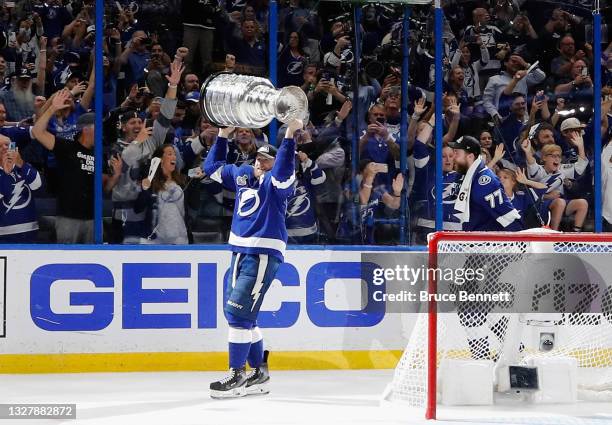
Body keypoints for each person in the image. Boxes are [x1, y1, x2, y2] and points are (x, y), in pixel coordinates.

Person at [203, 118, 303, 398]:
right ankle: (259, 371)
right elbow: (211, 169)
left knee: (237, 314)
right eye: (259, 158)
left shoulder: (279, 182)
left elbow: (283, 170)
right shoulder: (245, 174)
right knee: (242, 316)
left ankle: (238, 375)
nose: (261, 163)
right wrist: (222, 135)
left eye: (266, 160)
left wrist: (290, 136)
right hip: (238, 251)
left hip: (262, 253)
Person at [32, 91, 94, 243]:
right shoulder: (66, 146)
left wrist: (115, 176)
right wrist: (52, 108)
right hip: (68, 217)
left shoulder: (99, 154)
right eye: (98, 127)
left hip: (92, 217)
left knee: (92, 261)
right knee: (66, 260)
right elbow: (37, 132)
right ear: (86, 129)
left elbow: (105, 186)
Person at [450, 135, 523, 232]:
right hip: (471, 240)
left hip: (487, 243)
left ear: (470, 157)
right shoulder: (464, 176)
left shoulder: (486, 182)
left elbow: (508, 217)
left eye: (457, 153)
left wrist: (520, 240)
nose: (453, 157)